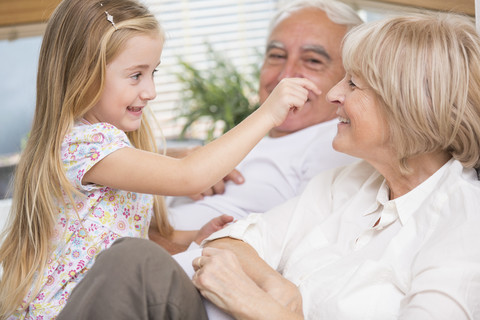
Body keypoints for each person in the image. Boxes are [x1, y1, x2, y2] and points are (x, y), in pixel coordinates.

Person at [0, 0, 319, 318]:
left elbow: (122, 232)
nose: (150, 90)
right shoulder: (84, 143)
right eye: (136, 75)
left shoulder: (103, 144)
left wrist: (192, 238)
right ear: (85, 74)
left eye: (153, 72)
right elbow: (188, 177)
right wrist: (267, 114)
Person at [189, 12, 480, 319]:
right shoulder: (345, 183)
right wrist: (278, 287)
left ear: (411, 106)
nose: (333, 94)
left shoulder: (466, 222)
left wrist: (261, 308)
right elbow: (226, 242)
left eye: (353, 83)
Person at [166, 0, 362, 232]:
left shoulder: (334, 144)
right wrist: (185, 167)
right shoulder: (254, 133)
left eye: (313, 61)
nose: (285, 76)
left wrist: (163, 240)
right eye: (277, 55)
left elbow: (296, 245)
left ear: (348, 77)